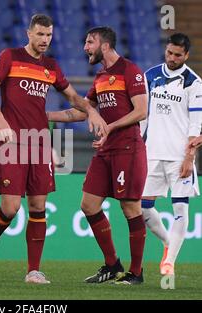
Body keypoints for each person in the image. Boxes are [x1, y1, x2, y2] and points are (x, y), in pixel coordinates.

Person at [0, 14, 107, 284]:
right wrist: (0, 120)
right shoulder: (10, 56)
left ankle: (33, 270)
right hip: (11, 141)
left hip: (39, 142)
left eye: (48, 35)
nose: (45, 40)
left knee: (38, 206)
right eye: (40, 35)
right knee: (11, 208)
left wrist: (91, 111)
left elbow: (71, 96)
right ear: (29, 33)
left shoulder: (51, 66)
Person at [48, 26, 148, 285]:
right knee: (89, 204)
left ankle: (136, 273)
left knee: (129, 207)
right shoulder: (101, 77)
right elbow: (82, 111)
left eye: (89, 42)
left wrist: (110, 127)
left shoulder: (130, 71)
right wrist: (45, 115)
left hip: (128, 149)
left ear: (104, 45)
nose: (85, 47)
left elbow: (141, 111)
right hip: (105, 150)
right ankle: (113, 265)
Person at [140, 33, 202, 276]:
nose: (172, 58)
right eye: (169, 53)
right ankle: (168, 242)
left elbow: (195, 125)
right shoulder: (151, 76)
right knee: (143, 207)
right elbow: (142, 116)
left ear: (186, 55)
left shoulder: (193, 83)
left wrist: (189, 157)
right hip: (151, 153)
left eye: (178, 55)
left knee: (180, 209)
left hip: (179, 156)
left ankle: (170, 262)